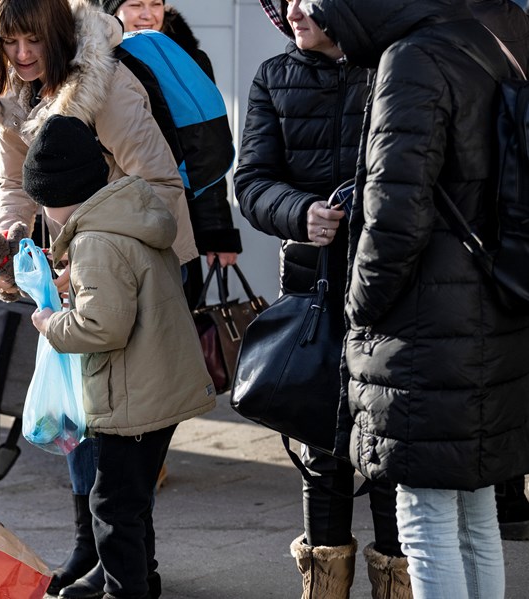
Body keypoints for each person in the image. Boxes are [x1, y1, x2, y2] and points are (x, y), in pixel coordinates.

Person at [301, 0, 529, 597]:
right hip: (496, 303)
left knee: (424, 521)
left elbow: (395, 215)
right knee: (475, 510)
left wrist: (358, 307)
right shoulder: (497, 33)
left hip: (426, 323)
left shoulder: (413, 58)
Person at [0, 1, 195, 595]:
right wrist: (15, 237)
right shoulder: (12, 94)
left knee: (119, 429)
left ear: (59, 34)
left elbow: (161, 186)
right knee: (81, 416)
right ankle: (98, 553)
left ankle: (124, 566)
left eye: (32, 41)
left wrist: (99, 256)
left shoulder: (107, 84)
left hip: (131, 270)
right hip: (75, 270)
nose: (21, 55)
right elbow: (16, 184)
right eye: (8, 43)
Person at [234, 2, 410, 597]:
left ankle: (399, 582)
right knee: (322, 447)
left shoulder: (396, 65)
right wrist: (298, 212)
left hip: (395, 290)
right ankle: (323, 587)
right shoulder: (272, 75)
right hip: (312, 289)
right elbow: (251, 182)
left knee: (392, 447)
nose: (291, 11)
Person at [25, 114, 214, 599]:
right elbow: (125, 290)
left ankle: (124, 591)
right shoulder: (128, 216)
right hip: (159, 387)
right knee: (133, 501)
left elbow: (102, 326)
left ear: (57, 197)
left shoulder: (94, 242)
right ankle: (140, 581)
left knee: (110, 506)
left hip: (131, 398)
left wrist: (51, 323)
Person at [99, 0, 242, 307]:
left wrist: (218, 234)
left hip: (179, 215)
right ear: (111, 11)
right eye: (136, 4)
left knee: (177, 318)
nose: (148, 14)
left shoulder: (189, 59)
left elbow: (207, 153)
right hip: (115, 214)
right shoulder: (96, 62)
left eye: (156, 4)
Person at [467, 0, 529, 542]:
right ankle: (509, 494)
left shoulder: (453, 19)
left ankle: (505, 494)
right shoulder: (508, 14)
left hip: (482, 215)